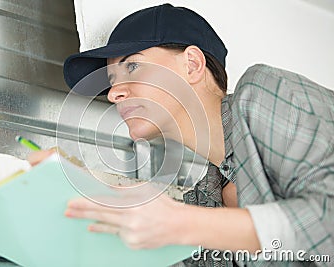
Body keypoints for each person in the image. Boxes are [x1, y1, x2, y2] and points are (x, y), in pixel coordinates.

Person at [29, 4, 334, 266]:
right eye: (111, 81)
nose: (113, 94)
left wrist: (176, 222)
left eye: (132, 66)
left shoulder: (263, 91)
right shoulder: (201, 196)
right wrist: (84, 194)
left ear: (192, 65)